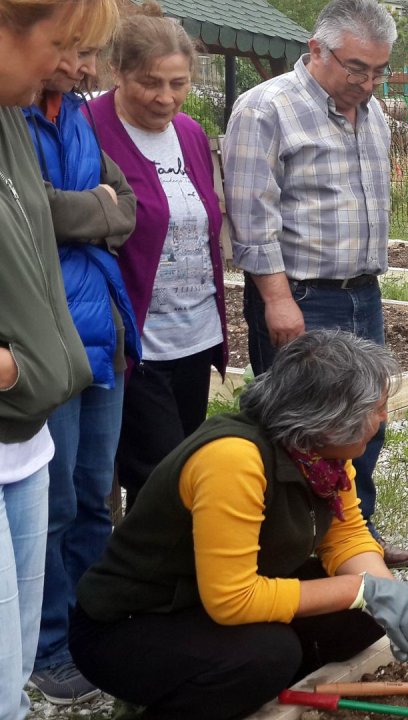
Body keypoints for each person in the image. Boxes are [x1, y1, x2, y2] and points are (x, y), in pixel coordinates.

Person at [69, 330, 408, 720]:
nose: (385, 417)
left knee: (359, 621)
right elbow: (232, 600)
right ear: (331, 421)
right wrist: (362, 589)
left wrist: (385, 594)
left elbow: (346, 534)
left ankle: (254, 701)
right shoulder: (233, 459)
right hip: (131, 624)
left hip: (199, 599)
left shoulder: (323, 456)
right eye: (377, 408)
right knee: (268, 655)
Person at [224, 0, 408, 569]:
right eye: (356, 68)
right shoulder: (266, 109)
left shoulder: (371, 112)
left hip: (362, 291)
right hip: (302, 296)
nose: (368, 83)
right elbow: (252, 216)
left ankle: (357, 539)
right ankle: (293, 550)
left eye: (378, 71)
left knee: (364, 425)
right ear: (316, 49)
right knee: (304, 432)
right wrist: (277, 300)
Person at [0, 0, 116, 714]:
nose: (69, 69)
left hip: (25, 444)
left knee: (8, 685)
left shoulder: (14, 121)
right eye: (61, 43)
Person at [23, 31, 139, 705]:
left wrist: (84, 209)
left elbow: (123, 208)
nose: (88, 68)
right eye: (75, 50)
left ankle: (92, 630)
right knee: (53, 504)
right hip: (48, 336)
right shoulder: (15, 119)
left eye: (93, 54)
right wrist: (90, 208)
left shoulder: (76, 116)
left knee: (95, 496)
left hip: (104, 337)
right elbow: (26, 211)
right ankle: (47, 645)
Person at [88, 3, 228, 503]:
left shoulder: (189, 133)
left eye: (179, 83)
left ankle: (174, 577)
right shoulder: (90, 127)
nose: (166, 98)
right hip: (136, 342)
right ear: (118, 71)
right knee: (162, 484)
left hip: (194, 335)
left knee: (187, 470)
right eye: (151, 82)